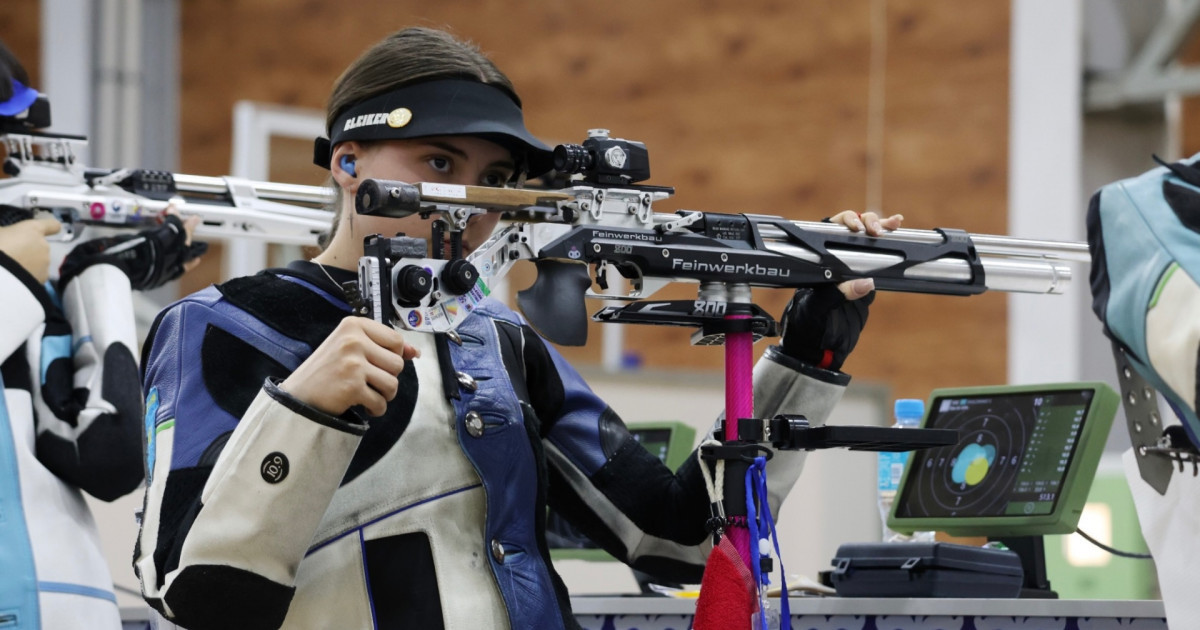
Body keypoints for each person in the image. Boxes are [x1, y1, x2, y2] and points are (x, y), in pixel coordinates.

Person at [133, 26, 900, 630]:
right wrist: (304, 412)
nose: (468, 195)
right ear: (346, 159)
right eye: (439, 161)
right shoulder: (221, 324)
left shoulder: (496, 340)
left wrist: (807, 356)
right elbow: (193, 592)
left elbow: (684, 542)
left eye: (496, 179)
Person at [0, 39, 207, 629]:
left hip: (68, 600)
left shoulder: (25, 304)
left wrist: (99, 281)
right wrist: (14, 274)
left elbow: (110, 459)